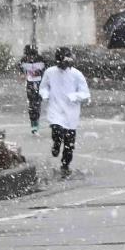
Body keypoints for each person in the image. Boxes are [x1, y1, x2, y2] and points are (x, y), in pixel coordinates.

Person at [39, 47, 89, 177]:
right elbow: (43, 87)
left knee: (69, 142)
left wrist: (75, 96)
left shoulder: (76, 74)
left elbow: (85, 93)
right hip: (55, 108)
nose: (62, 65)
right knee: (57, 129)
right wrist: (46, 95)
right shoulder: (50, 72)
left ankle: (65, 164)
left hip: (71, 112)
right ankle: (56, 143)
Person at [19, 43, 47, 134]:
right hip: (30, 83)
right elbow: (21, 68)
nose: (31, 58)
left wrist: (39, 72)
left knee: (37, 103)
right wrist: (23, 74)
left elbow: (45, 70)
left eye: (32, 56)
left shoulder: (41, 59)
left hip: (40, 83)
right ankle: (33, 124)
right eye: (29, 56)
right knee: (32, 104)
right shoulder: (24, 60)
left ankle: (36, 122)